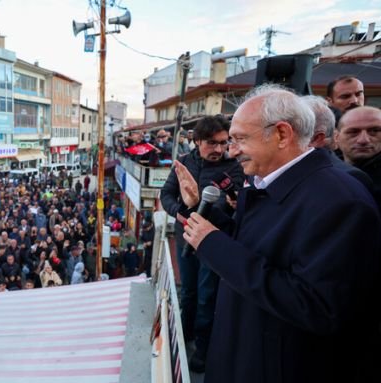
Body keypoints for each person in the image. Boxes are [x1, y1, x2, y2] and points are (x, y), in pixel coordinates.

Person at [180, 84, 381, 382]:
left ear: (282, 134)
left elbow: (316, 306)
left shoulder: (341, 200)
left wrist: (214, 245)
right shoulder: (266, 180)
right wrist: (210, 216)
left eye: (240, 139)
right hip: (243, 350)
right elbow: (259, 244)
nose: (231, 151)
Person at [161, 114, 244, 373]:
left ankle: (203, 347)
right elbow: (166, 194)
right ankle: (184, 335)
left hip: (215, 240)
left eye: (223, 142)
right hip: (186, 235)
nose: (219, 149)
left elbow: (240, 205)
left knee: (208, 295)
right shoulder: (184, 163)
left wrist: (235, 203)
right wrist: (179, 211)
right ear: (197, 141)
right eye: (212, 143)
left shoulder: (235, 166)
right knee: (189, 291)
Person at [336, 106, 381, 207]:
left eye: (374, 131)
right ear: (336, 137)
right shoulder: (322, 170)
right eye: (353, 132)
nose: (363, 140)